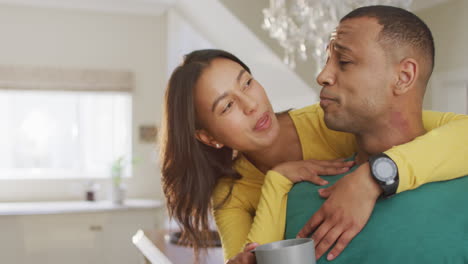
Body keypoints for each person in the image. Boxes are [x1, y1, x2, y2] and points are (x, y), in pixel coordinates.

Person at [158, 47, 468, 262]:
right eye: (227, 106)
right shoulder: (231, 194)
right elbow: (250, 259)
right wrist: (278, 181)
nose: (251, 105)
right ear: (208, 137)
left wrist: (372, 177)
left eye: (247, 83)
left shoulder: (331, 121)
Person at [284, 5, 468, 263]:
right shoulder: (297, 195)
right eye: (327, 61)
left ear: (404, 77)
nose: (322, 76)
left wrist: (374, 177)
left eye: (344, 62)